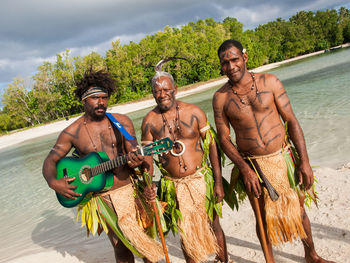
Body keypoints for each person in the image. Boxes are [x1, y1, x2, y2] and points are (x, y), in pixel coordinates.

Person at [213, 39, 334, 263]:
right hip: (253, 167)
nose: (231, 66)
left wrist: (304, 161)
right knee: (262, 218)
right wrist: (244, 170)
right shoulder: (221, 98)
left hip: (283, 156)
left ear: (244, 58)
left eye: (234, 59)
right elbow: (224, 139)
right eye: (225, 62)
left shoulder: (270, 81)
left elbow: (292, 121)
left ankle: (311, 255)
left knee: (299, 211)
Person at [42, 69, 164, 263]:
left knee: (145, 241)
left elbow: (133, 148)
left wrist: (137, 160)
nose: (101, 102)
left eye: (104, 97)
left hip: (129, 190)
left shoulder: (121, 122)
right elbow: (50, 160)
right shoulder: (72, 132)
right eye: (95, 98)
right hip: (102, 198)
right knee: (120, 245)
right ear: (83, 101)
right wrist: (53, 182)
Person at [141, 68, 229, 263]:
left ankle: (223, 260)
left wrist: (218, 183)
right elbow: (147, 158)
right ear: (153, 93)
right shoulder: (149, 121)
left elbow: (212, 146)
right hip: (174, 185)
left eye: (166, 89)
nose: (162, 94)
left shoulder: (194, 112)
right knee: (185, 230)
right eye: (157, 91)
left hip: (200, 179)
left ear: (175, 89)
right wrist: (148, 184)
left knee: (214, 224)